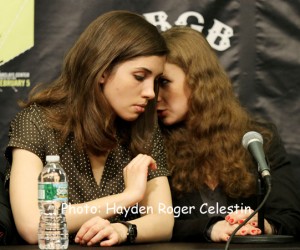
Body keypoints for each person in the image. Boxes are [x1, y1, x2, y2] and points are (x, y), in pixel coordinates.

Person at [4, 10, 174, 246]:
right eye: (139, 76)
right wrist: (127, 197)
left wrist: (123, 230)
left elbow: (164, 221)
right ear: (102, 71)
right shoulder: (37, 122)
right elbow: (34, 225)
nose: (150, 93)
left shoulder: (143, 127)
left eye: (155, 80)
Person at [157, 26, 300, 242]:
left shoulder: (259, 139)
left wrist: (263, 225)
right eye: (150, 83)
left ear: (198, 80)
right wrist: (208, 228)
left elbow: (291, 217)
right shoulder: (149, 142)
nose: (153, 95)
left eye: (163, 82)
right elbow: (146, 222)